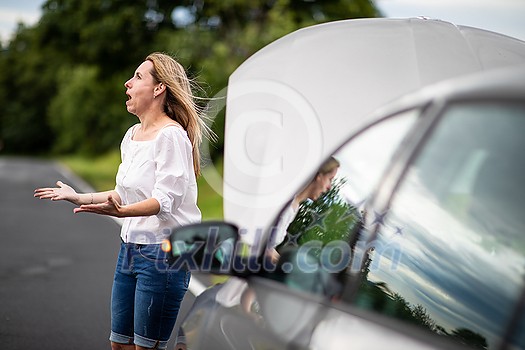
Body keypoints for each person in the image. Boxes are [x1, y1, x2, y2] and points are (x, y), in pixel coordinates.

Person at [34, 52, 211, 350]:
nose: (127, 84)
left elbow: (163, 201)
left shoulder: (172, 137)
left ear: (159, 88)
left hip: (163, 256)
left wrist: (122, 212)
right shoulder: (132, 136)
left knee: (146, 347)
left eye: (138, 77)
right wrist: (78, 196)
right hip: (129, 252)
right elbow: (121, 193)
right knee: (120, 345)